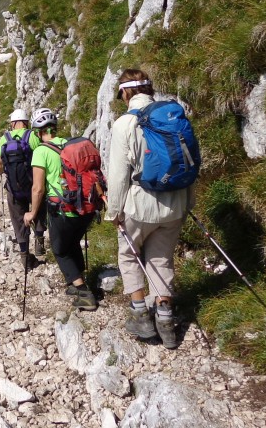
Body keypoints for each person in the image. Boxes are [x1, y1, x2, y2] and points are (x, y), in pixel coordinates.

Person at [105, 69, 194, 349]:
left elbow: (119, 175)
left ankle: (141, 317)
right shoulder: (174, 117)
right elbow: (188, 163)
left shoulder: (124, 125)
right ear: (149, 89)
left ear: (125, 93)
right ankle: (166, 321)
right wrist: (188, 202)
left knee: (130, 256)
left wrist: (114, 212)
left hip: (140, 205)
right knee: (161, 260)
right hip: (175, 203)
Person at [23, 107, 98, 311]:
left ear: (39, 132)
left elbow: (38, 188)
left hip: (62, 209)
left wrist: (32, 213)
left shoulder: (40, 151)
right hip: (85, 207)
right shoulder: (69, 144)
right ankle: (77, 281)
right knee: (72, 242)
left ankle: (84, 292)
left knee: (59, 249)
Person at [0, 108, 46, 267]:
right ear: (26, 122)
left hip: (14, 189)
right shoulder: (32, 136)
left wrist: (7, 171)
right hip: (32, 184)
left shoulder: (5, 138)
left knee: (18, 219)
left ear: (13, 123)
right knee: (39, 207)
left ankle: (24, 255)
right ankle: (39, 241)